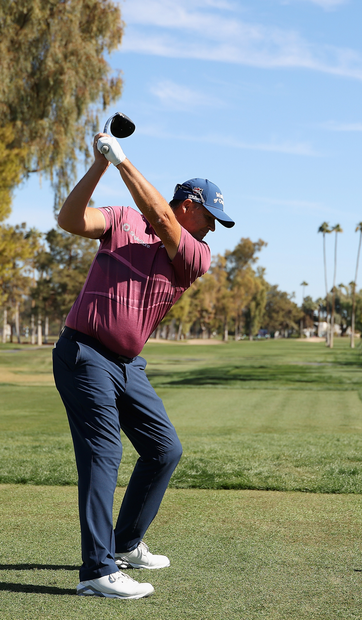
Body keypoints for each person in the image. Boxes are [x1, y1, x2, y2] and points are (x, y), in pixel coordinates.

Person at [53, 126, 232, 599]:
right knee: (104, 454)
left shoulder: (195, 255)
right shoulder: (120, 219)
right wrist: (99, 163)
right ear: (189, 204)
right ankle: (97, 570)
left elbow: (161, 219)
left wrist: (122, 159)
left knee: (164, 449)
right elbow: (69, 220)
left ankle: (125, 543)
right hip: (85, 353)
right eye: (210, 216)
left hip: (129, 365)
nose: (213, 228)